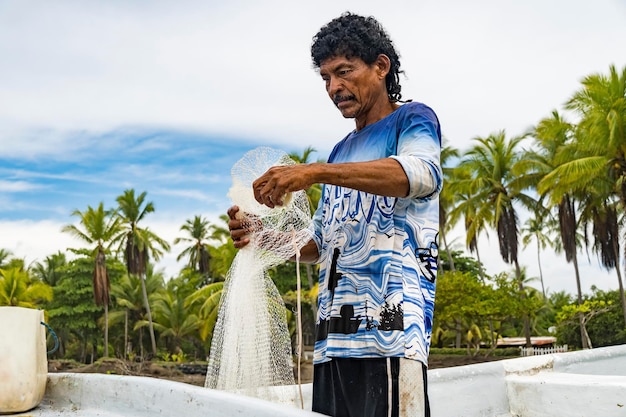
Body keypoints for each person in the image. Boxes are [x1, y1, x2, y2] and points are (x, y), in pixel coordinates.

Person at [227, 12, 442, 417]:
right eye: (326, 77)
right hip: (333, 341)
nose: (334, 87)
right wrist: (261, 236)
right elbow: (319, 244)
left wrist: (313, 172)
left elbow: (421, 174)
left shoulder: (413, 120)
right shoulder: (341, 151)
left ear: (381, 67)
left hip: (390, 334)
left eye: (344, 72)